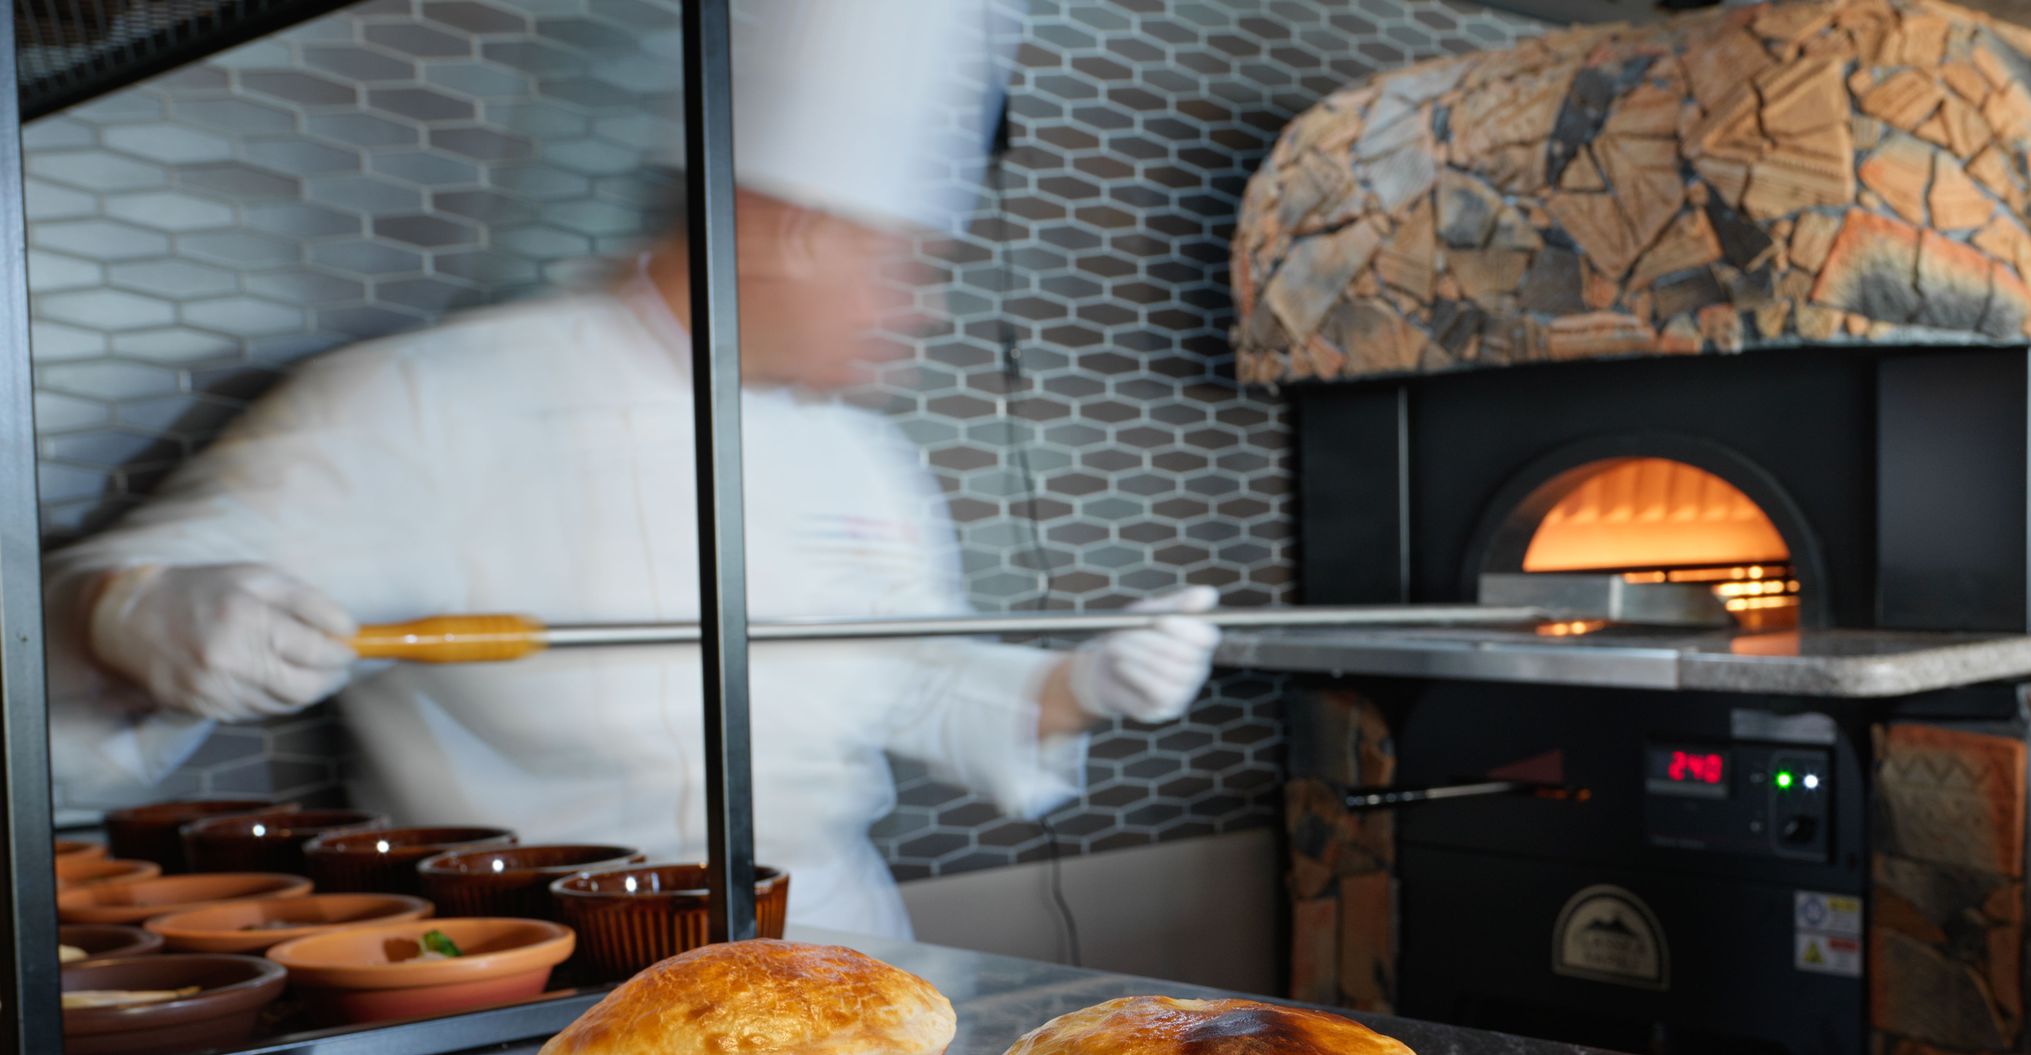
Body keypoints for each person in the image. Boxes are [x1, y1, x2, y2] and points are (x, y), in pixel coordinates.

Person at [40, 0, 1217, 939]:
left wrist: (1085, 683)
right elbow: (86, 615)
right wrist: (134, 614)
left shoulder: (864, 451)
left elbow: (909, 681)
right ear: (788, 231)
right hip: (540, 1002)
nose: (922, 308)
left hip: (844, 970)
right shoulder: (423, 401)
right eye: (903, 264)